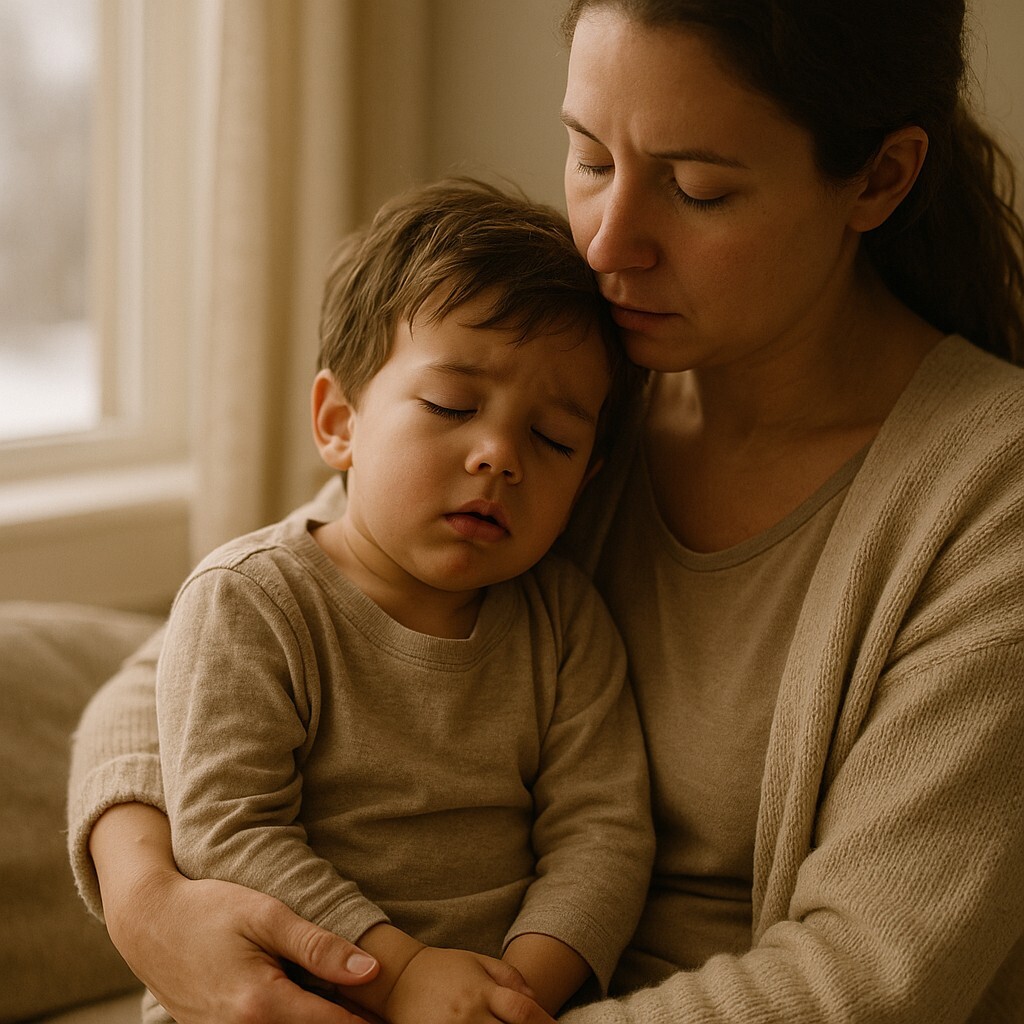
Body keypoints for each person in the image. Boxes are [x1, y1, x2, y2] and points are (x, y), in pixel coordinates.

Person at [68, 0, 1024, 1021]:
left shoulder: (984, 492)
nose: (609, 243)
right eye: (588, 158)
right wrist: (150, 901)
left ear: (878, 178)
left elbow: (870, 978)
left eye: (697, 189)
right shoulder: (561, 380)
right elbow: (210, 640)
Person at [142, 178, 653, 1024]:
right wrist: (401, 974)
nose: (498, 455)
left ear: (587, 481)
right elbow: (228, 835)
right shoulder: (251, 603)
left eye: (553, 439)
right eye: (453, 405)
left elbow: (603, 836)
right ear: (339, 420)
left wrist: (508, 996)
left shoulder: (564, 623)